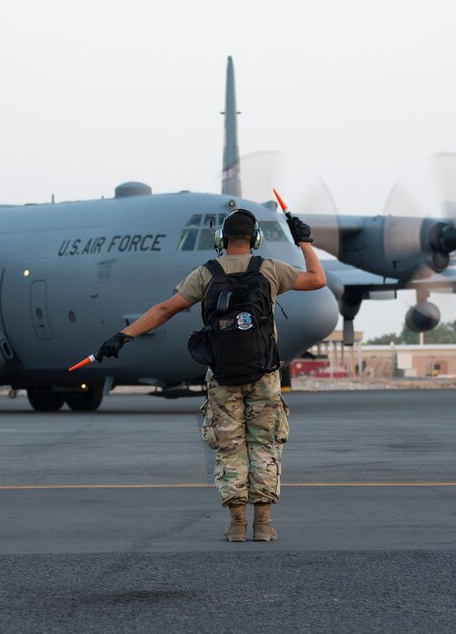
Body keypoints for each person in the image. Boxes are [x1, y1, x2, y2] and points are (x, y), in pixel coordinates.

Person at [96, 209, 326, 542]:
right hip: (264, 374)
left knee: (229, 446)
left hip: (222, 375)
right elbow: (317, 279)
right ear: (255, 239)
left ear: (221, 238)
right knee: (264, 444)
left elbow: (165, 309)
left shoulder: (206, 274)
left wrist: (123, 336)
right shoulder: (271, 270)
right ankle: (263, 523)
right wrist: (304, 241)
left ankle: (236, 524)